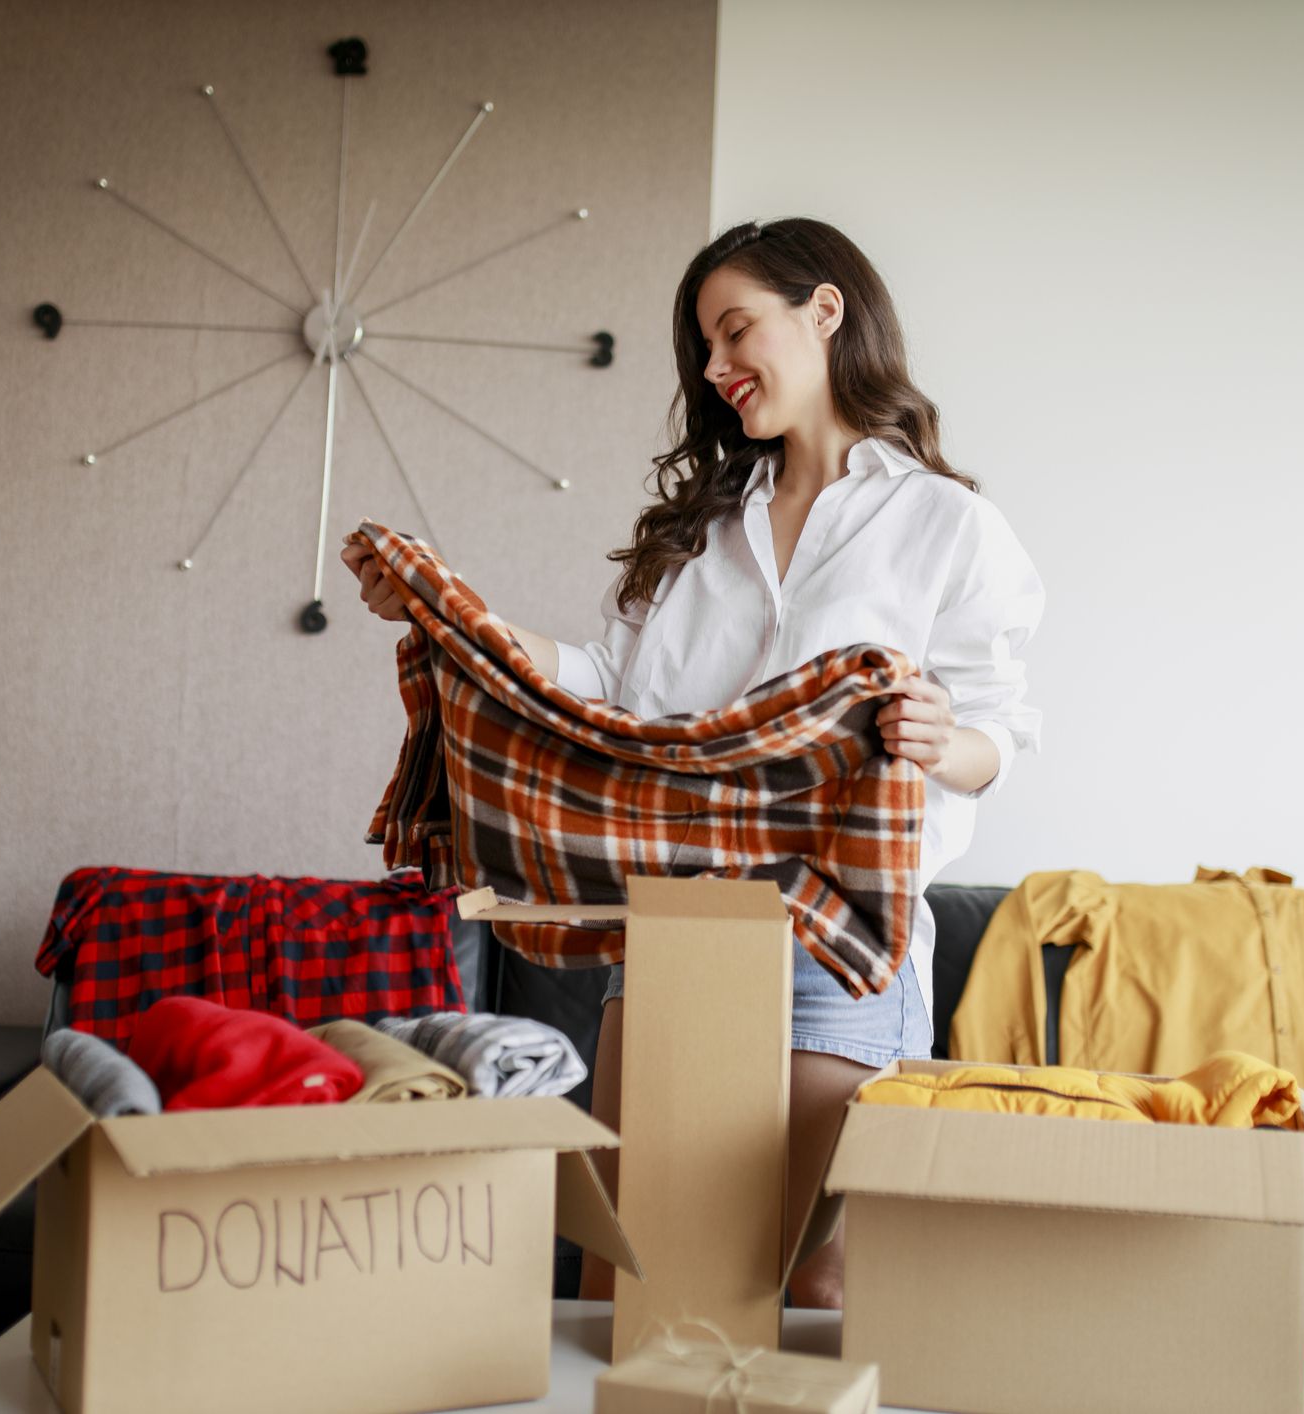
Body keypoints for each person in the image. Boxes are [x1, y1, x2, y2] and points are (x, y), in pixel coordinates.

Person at [341, 217, 1043, 1309]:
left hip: (835, 937)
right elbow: (599, 685)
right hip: (668, 925)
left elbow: (998, 734)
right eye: (705, 353)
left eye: (733, 333)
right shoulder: (701, 530)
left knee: (815, 1283)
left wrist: (936, 733)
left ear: (825, 311)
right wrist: (450, 617)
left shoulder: (947, 527)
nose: (716, 373)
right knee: (631, 1277)